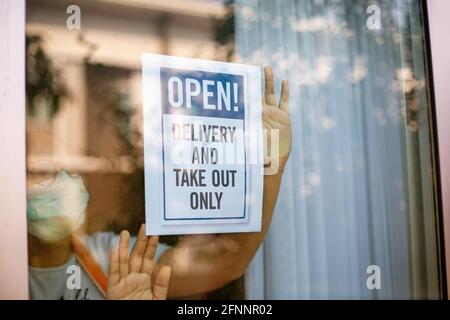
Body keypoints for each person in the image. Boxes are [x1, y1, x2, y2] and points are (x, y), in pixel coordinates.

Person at [27, 66, 292, 300]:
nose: (59, 182)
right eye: (39, 175)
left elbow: (223, 262)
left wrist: (272, 166)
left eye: (63, 174)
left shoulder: (113, 258)